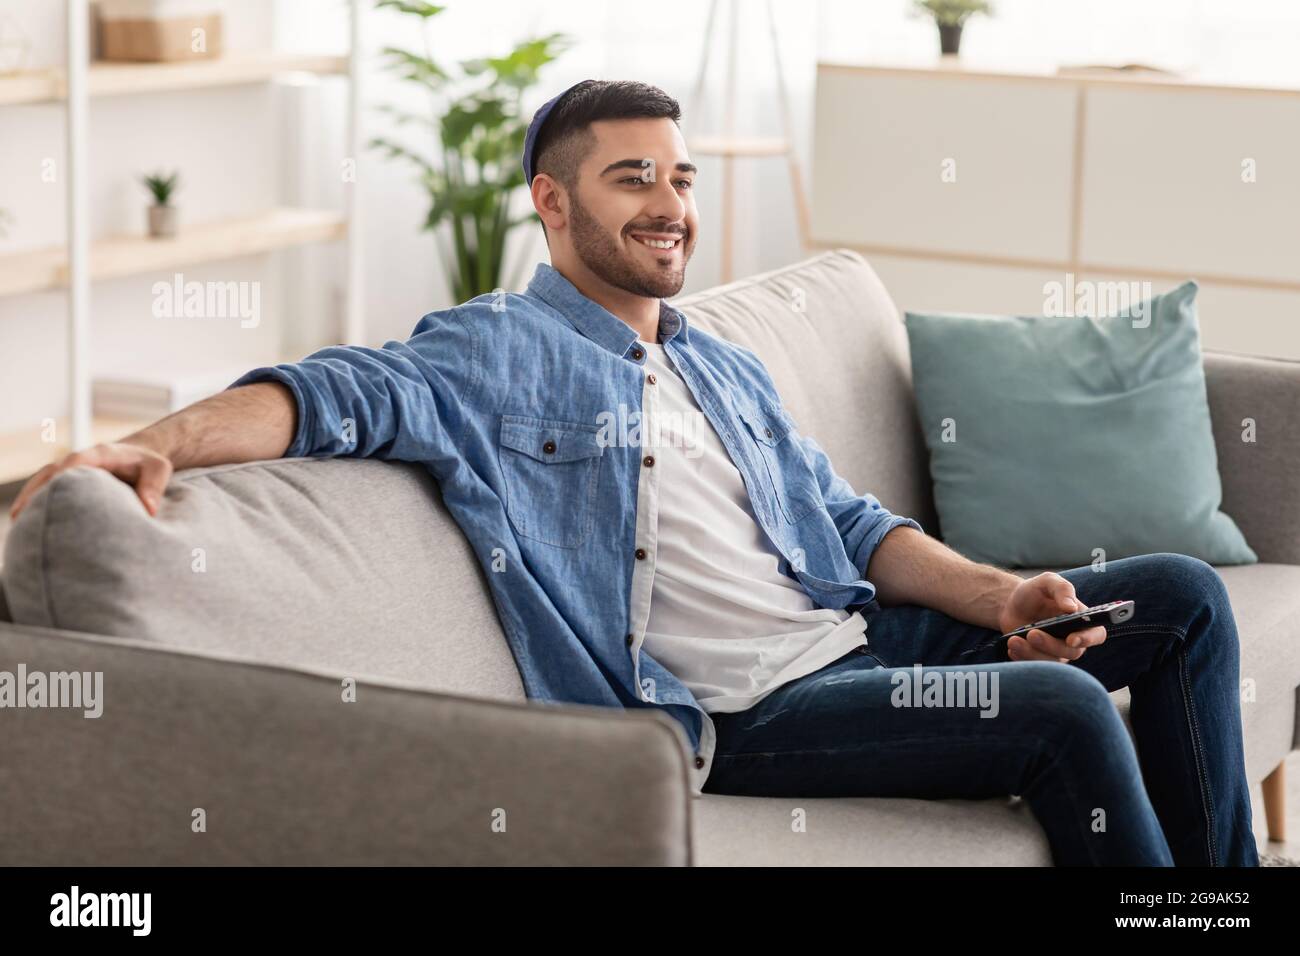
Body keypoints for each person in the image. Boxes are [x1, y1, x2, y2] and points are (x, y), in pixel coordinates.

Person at [9, 79, 1257, 866]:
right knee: (1063, 710)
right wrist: (155, 440)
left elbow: (845, 516)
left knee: (1181, 598)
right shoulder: (493, 350)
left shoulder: (719, 357)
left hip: (868, 637)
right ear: (551, 204)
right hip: (745, 714)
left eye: (678, 177)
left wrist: (997, 596)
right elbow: (332, 392)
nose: (668, 205)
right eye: (630, 179)